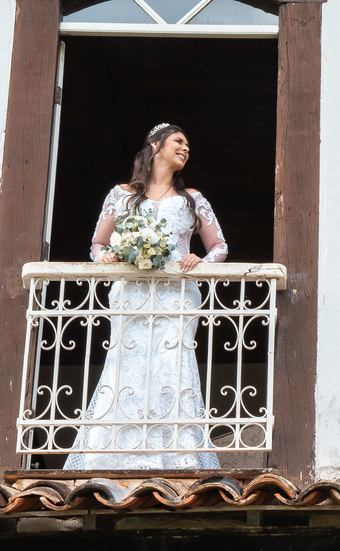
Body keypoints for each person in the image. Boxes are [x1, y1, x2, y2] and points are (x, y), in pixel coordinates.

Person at [64, 123, 229, 470]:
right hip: (131, 296)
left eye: (188, 145)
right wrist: (106, 257)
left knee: (174, 367)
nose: (186, 148)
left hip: (177, 296)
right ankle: (109, 453)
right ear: (156, 146)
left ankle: (178, 453)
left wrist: (200, 258)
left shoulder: (192, 199)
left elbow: (219, 246)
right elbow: (98, 243)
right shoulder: (121, 195)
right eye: (179, 141)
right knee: (126, 365)